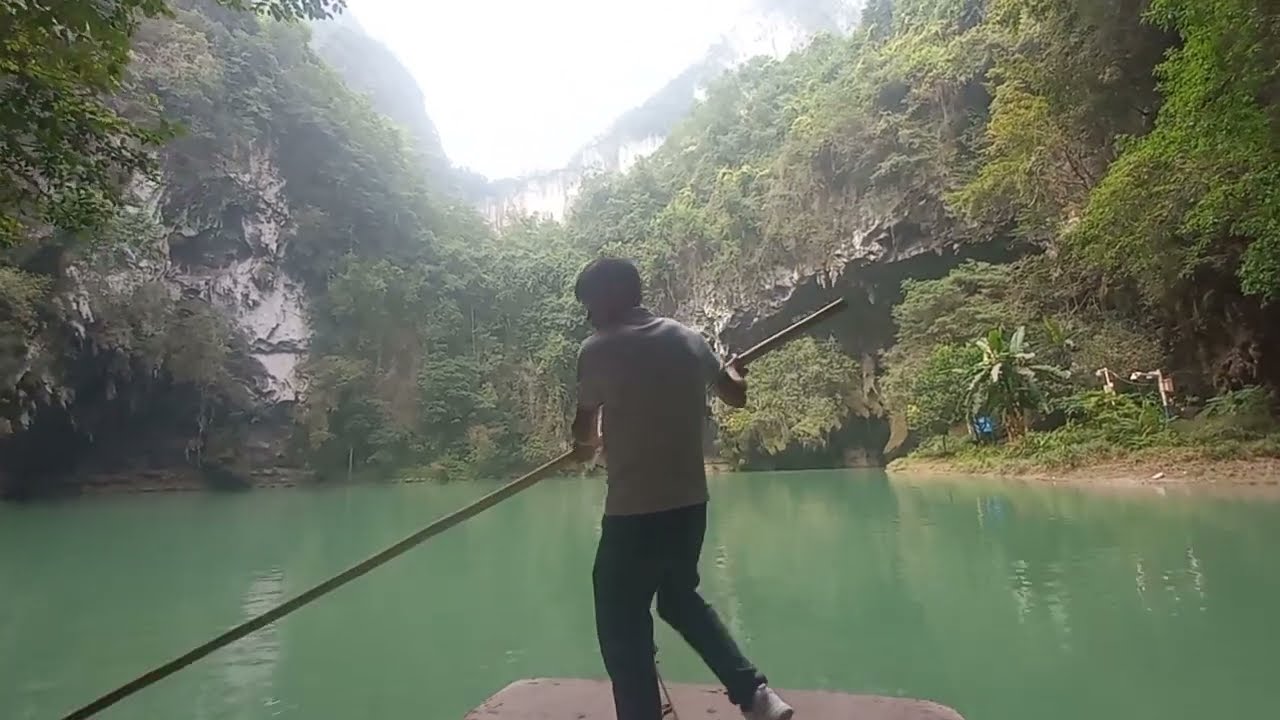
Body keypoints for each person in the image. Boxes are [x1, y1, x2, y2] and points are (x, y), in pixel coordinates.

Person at [570, 257, 793, 720]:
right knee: (676, 599)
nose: (588, 315)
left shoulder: (596, 350)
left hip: (634, 511)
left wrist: (584, 446)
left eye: (589, 303)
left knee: (620, 618)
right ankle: (755, 694)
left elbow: (584, 435)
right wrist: (733, 372)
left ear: (612, 296)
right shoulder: (689, 339)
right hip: (689, 506)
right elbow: (734, 396)